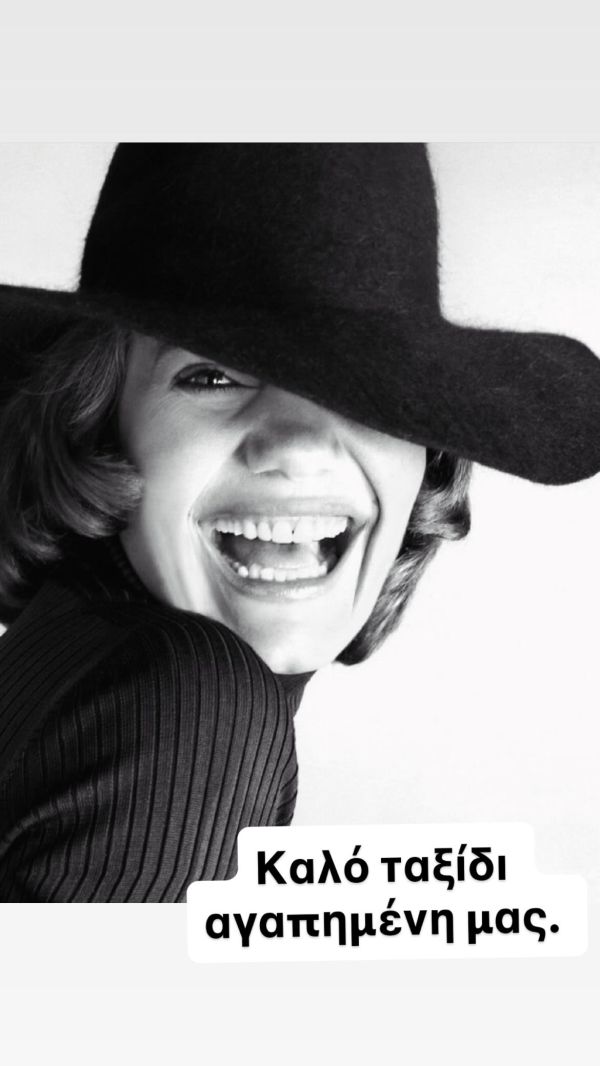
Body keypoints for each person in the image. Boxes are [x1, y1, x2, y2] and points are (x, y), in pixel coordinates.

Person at [0, 143, 598, 903]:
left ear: (425, 460)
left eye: (366, 391)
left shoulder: (73, 670)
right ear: (99, 427)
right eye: (211, 375)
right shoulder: (181, 703)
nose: (301, 446)